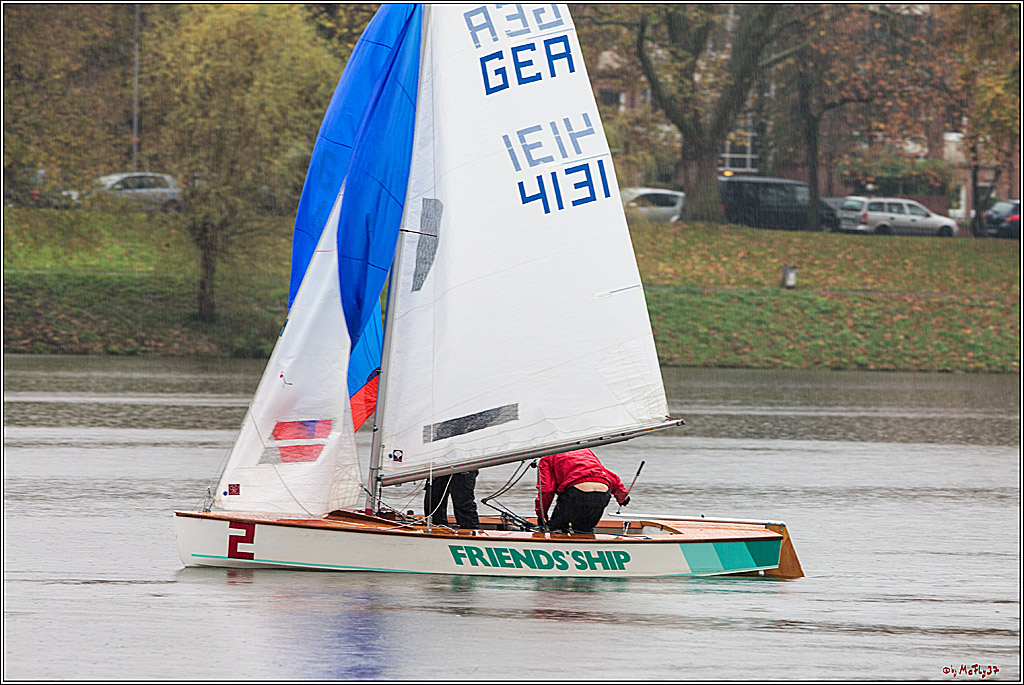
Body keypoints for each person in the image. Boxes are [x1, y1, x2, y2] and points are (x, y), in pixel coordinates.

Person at [534, 448, 630, 534]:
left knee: (556, 528)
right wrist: (622, 497)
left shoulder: (548, 457)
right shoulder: (585, 451)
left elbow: (546, 490)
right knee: (584, 530)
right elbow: (607, 475)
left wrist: (541, 515)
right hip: (602, 494)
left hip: (576, 493)